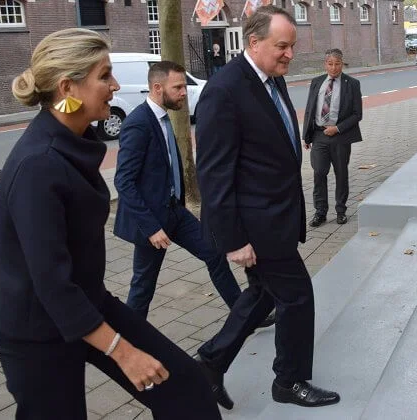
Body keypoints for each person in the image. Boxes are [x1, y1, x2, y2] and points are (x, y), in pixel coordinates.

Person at [0, 28, 221, 420]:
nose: (115, 85)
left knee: (186, 386)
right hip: (38, 329)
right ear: (68, 88)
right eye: (104, 76)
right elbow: (50, 283)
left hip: (86, 303)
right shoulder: (38, 166)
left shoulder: (72, 139)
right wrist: (124, 353)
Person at [194, 5, 340, 410]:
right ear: (253, 43)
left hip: (275, 217)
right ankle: (288, 382)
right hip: (254, 225)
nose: (290, 54)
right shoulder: (224, 90)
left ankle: (209, 363)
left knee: (262, 294)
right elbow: (214, 174)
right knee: (296, 296)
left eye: (292, 46)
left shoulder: (269, 78)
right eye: (282, 46)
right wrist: (233, 240)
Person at [113, 61, 274, 329]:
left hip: (174, 212)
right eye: (177, 87)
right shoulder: (138, 124)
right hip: (152, 222)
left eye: (183, 87)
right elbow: (124, 181)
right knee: (143, 285)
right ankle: (131, 340)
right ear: (156, 87)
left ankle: (245, 317)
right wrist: (152, 228)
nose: (183, 92)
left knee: (214, 255)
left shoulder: (163, 117)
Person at [302, 48, 363, 228]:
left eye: (337, 64)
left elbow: (357, 114)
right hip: (319, 136)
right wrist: (307, 136)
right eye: (330, 64)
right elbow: (309, 110)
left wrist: (337, 128)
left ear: (342, 64)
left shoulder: (352, 84)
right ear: (325, 64)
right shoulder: (317, 82)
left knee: (341, 174)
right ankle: (320, 212)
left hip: (340, 137)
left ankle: (341, 211)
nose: (334, 68)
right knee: (319, 173)